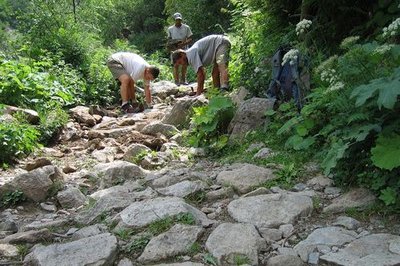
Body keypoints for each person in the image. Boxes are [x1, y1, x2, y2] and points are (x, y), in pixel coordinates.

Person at [167, 12, 193, 86]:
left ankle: (183, 80)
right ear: (174, 20)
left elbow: (190, 38)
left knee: (184, 64)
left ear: (181, 20)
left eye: (179, 20)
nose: (178, 21)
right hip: (175, 48)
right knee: (175, 65)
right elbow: (169, 40)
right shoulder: (170, 29)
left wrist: (183, 44)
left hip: (184, 48)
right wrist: (172, 46)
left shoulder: (186, 27)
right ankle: (176, 81)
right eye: (177, 20)